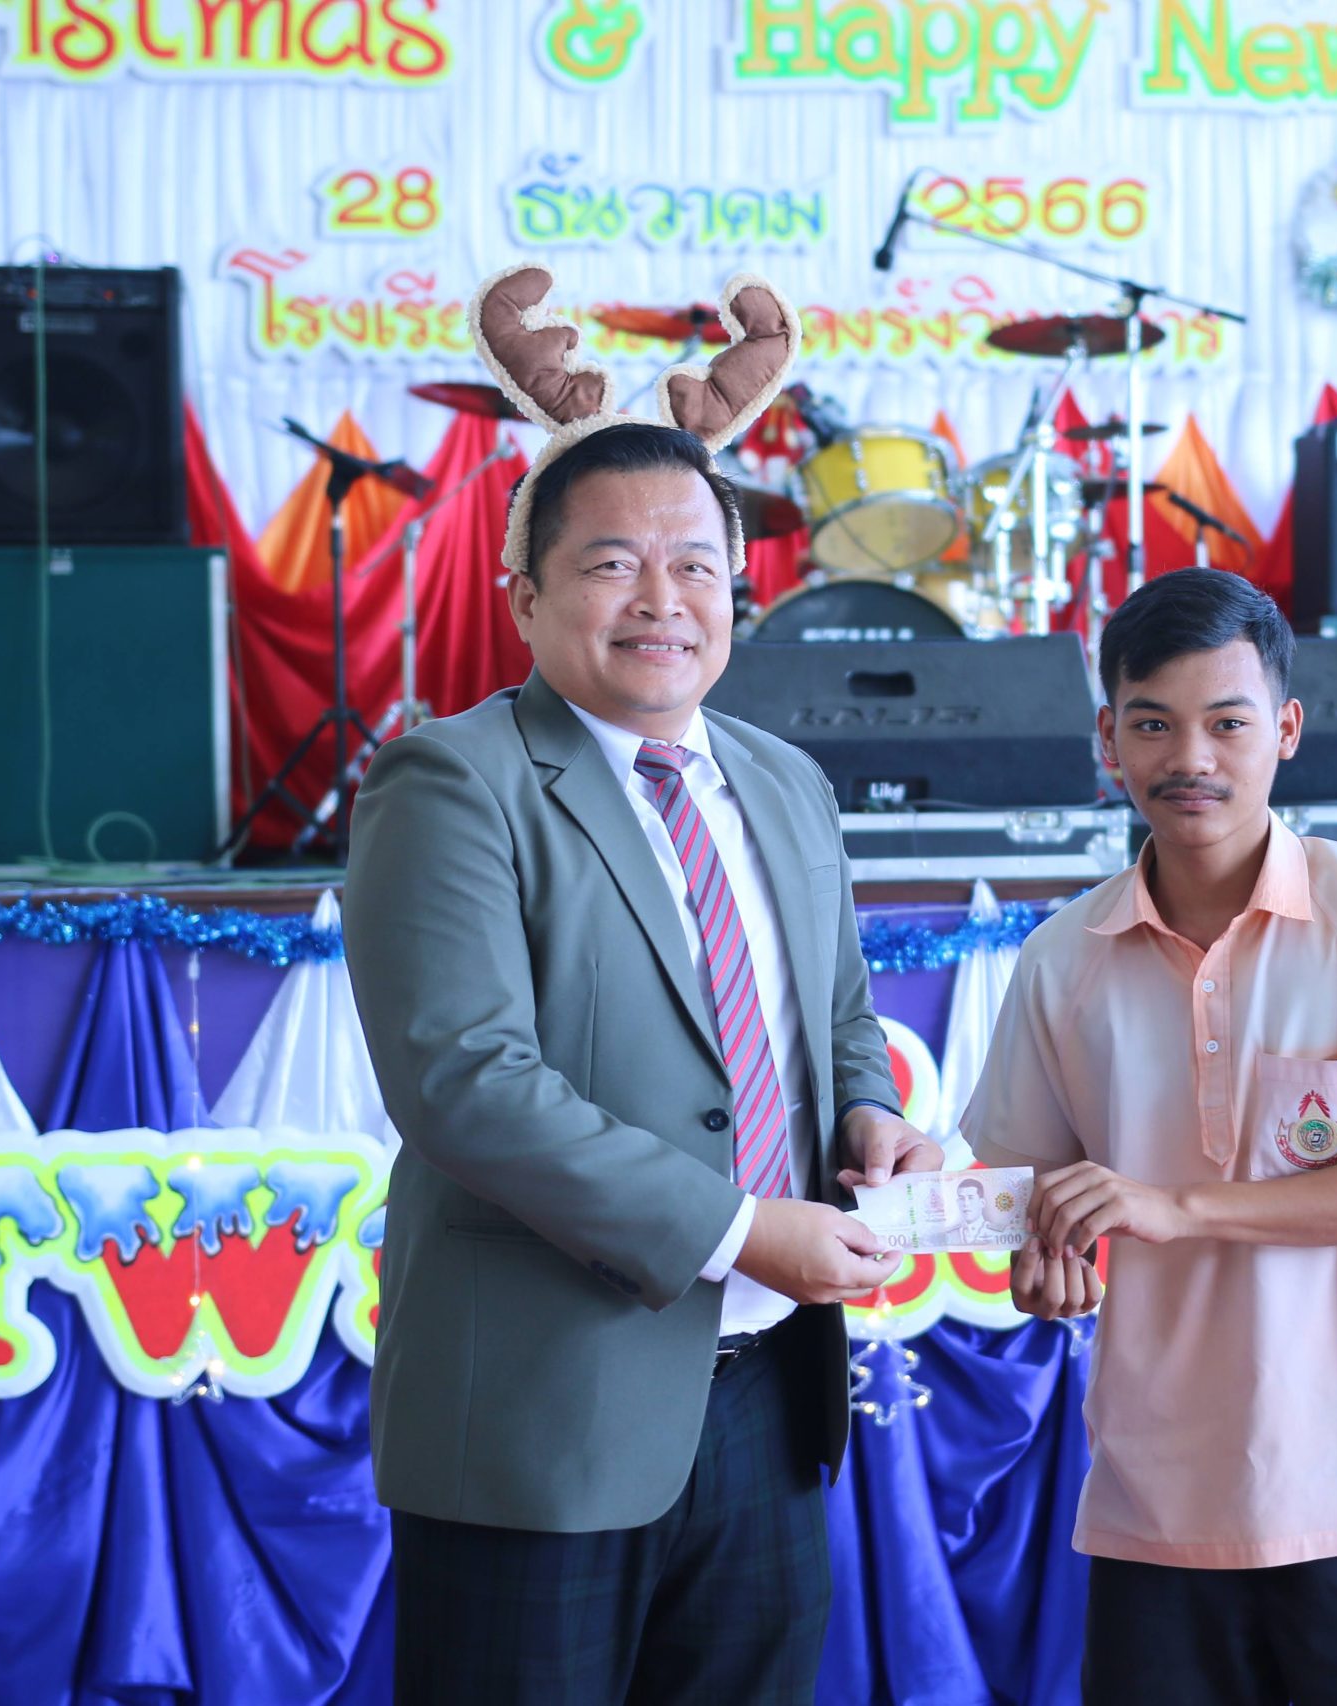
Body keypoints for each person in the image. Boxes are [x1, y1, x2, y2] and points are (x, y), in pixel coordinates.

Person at [346, 262, 940, 1705]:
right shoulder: (454, 780)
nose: (662, 600)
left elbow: (838, 1017)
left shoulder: (785, 782)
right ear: (526, 594)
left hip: (768, 1395)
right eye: (612, 563)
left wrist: (870, 1114)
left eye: (696, 566)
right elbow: (468, 1086)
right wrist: (743, 1229)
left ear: (740, 589)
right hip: (540, 1415)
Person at [962, 568, 1337, 1705]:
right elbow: (1032, 1199)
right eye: (1152, 724)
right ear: (1107, 740)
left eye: (1227, 722)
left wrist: (1173, 1205)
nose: (1190, 759)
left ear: (1287, 729)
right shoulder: (1061, 959)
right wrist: (1043, 1258)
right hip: (1162, 1505)